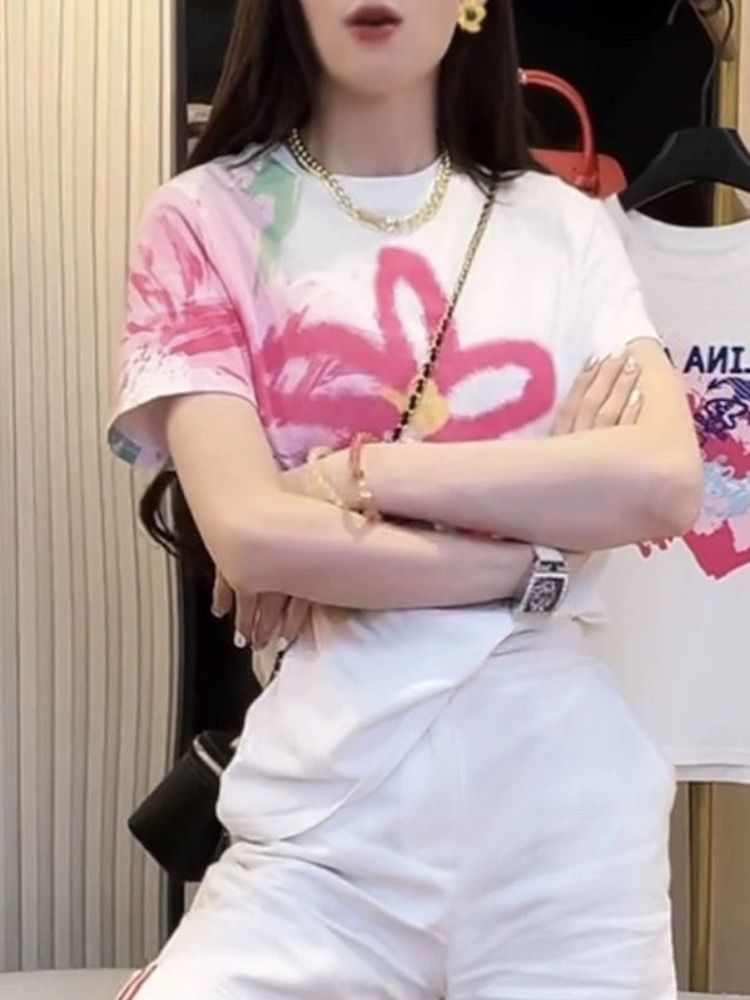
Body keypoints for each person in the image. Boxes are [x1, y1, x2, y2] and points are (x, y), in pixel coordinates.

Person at [108, 1, 703, 997]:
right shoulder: (204, 221)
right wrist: (544, 556)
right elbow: (252, 536)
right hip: (320, 839)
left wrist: (354, 480)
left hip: (566, 832)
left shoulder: (565, 225)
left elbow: (663, 481)